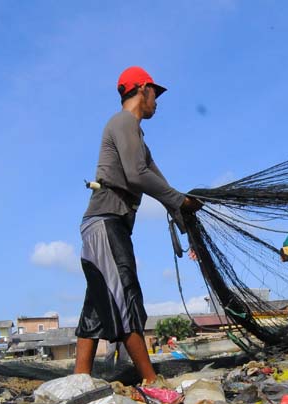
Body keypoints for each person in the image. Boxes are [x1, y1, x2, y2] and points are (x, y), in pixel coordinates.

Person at [74, 66, 202, 383]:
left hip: (109, 224)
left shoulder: (138, 137)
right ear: (142, 89)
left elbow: (160, 184)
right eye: (154, 94)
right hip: (106, 222)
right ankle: (151, 380)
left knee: (97, 304)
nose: (156, 102)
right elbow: (137, 176)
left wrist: (184, 217)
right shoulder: (123, 122)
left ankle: (78, 381)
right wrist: (179, 201)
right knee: (126, 295)